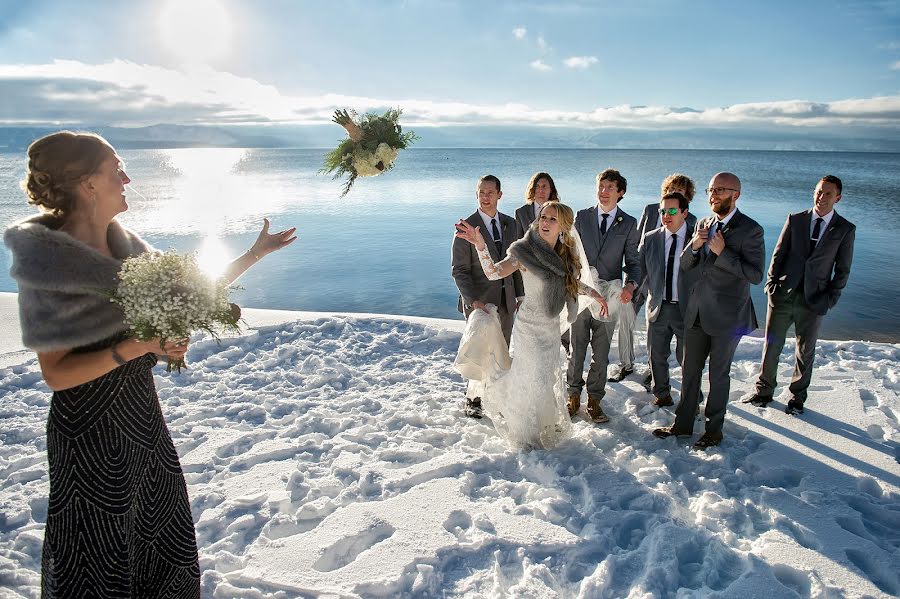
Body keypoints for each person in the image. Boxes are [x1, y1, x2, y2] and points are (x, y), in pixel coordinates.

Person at [3, 131, 297, 598]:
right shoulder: (49, 263)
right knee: (97, 562)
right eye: (114, 169)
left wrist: (253, 255)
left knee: (162, 544)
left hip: (142, 419)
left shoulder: (128, 248)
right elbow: (56, 374)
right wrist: (137, 347)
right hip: (89, 432)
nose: (127, 177)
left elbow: (190, 292)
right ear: (87, 183)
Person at [454, 201, 608, 448]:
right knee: (529, 377)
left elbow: (569, 282)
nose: (544, 223)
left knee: (545, 379)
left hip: (549, 328)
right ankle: (524, 431)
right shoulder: (524, 251)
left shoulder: (563, 254)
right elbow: (494, 272)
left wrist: (594, 293)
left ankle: (542, 425)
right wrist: (481, 246)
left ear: (563, 227)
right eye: (543, 217)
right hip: (528, 327)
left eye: (552, 219)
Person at [652, 172, 765, 449]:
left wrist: (723, 253)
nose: (714, 195)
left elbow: (755, 275)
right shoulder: (703, 223)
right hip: (696, 313)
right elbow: (686, 262)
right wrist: (696, 245)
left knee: (718, 375)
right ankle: (682, 425)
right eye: (711, 190)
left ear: (735, 195)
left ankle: (714, 430)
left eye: (721, 190)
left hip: (727, 318)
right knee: (690, 372)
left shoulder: (751, 229)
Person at [743, 175, 855, 415]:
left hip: (814, 300)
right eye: (818, 191)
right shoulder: (796, 220)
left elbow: (843, 270)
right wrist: (771, 285)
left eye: (827, 194)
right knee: (771, 346)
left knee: (805, 351)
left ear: (838, 198)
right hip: (782, 295)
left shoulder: (844, 229)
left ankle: (797, 397)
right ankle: (764, 391)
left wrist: (829, 300)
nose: (821, 197)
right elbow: (778, 254)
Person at [567, 169, 641, 423]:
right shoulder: (582, 216)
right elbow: (571, 253)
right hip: (581, 294)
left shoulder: (629, 223)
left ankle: (595, 400)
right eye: (601, 185)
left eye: (610, 187)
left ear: (620, 193)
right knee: (576, 348)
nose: (604, 191)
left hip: (609, 297)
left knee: (601, 350)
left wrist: (631, 286)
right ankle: (572, 395)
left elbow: (633, 262)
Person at [613, 173, 698, 386]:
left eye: (681, 192)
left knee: (661, 335)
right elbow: (639, 241)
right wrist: (632, 279)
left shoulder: (694, 221)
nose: (675, 194)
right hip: (642, 275)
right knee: (627, 317)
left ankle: (655, 371)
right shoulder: (652, 210)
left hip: (665, 284)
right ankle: (626, 362)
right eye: (672, 190)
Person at [451, 175, 524, 419]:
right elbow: (459, 271)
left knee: (502, 350)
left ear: (499, 195)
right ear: (476, 194)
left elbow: (515, 263)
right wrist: (473, 301)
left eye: (490, 192)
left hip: (507, 300)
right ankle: (473, 399)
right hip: (479, 303)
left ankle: (497, 396)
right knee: (480, 353)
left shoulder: (511, 224)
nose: (485, 197)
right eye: (481, 192)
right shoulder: (466, 227)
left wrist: (520, 294)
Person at [637, 192, 697, 407]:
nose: (666, 215)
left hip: (686, 310)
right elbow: (639, 269)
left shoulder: (696, 238)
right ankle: (662, 394)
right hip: (658, 307)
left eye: (672, 211)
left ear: (684, 212)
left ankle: (692, 395)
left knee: (689, 359)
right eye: (662, 211)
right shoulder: (651, 237)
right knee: (656, 355)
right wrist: (630, 287)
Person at [515, 171, 559, 238]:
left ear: (551, 190)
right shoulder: (521, 212)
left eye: (544, 186)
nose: (540, 190)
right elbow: (518, 240)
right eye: (537, 186)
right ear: (532, 189)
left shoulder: (559, 211)